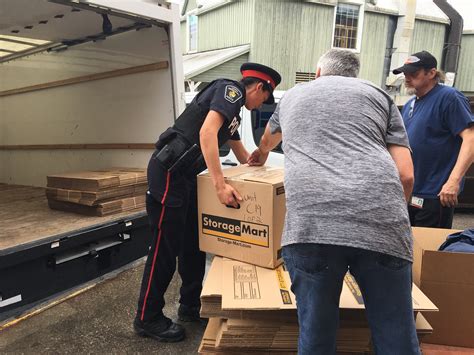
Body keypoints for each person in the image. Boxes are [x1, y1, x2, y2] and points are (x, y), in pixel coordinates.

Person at [248, 49, 419, 354]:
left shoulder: (294, 96)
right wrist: (389, 217)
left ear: (318, 73)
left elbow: (267, 142)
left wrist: (259, 156)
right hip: (381, 222)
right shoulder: (378, 95)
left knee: (316, 336)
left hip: (312, 226)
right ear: (354, 76)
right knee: (396, 336)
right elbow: (405, 175)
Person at [133, 63, 281, 342]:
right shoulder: (231, 91)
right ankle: (147, 317)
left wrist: (258, 160)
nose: (263, 104)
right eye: (265, 98)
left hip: (185, 177)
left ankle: (190, 306)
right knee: (166, 248)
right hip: (169, 172)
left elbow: (242, 155)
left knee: (193, 243)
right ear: (259, 88)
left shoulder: (233, 115)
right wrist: (220, 185)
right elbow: (206, 133)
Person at [393, 50, 474, 229]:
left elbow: (471, 138)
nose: (407, 78)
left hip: (436, 194)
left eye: (413, 73)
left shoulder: (449, 98)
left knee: (429, 252)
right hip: (411, 192)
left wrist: (453, 182)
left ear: (431, 73)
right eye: (405, 73)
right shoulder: (409, 105)